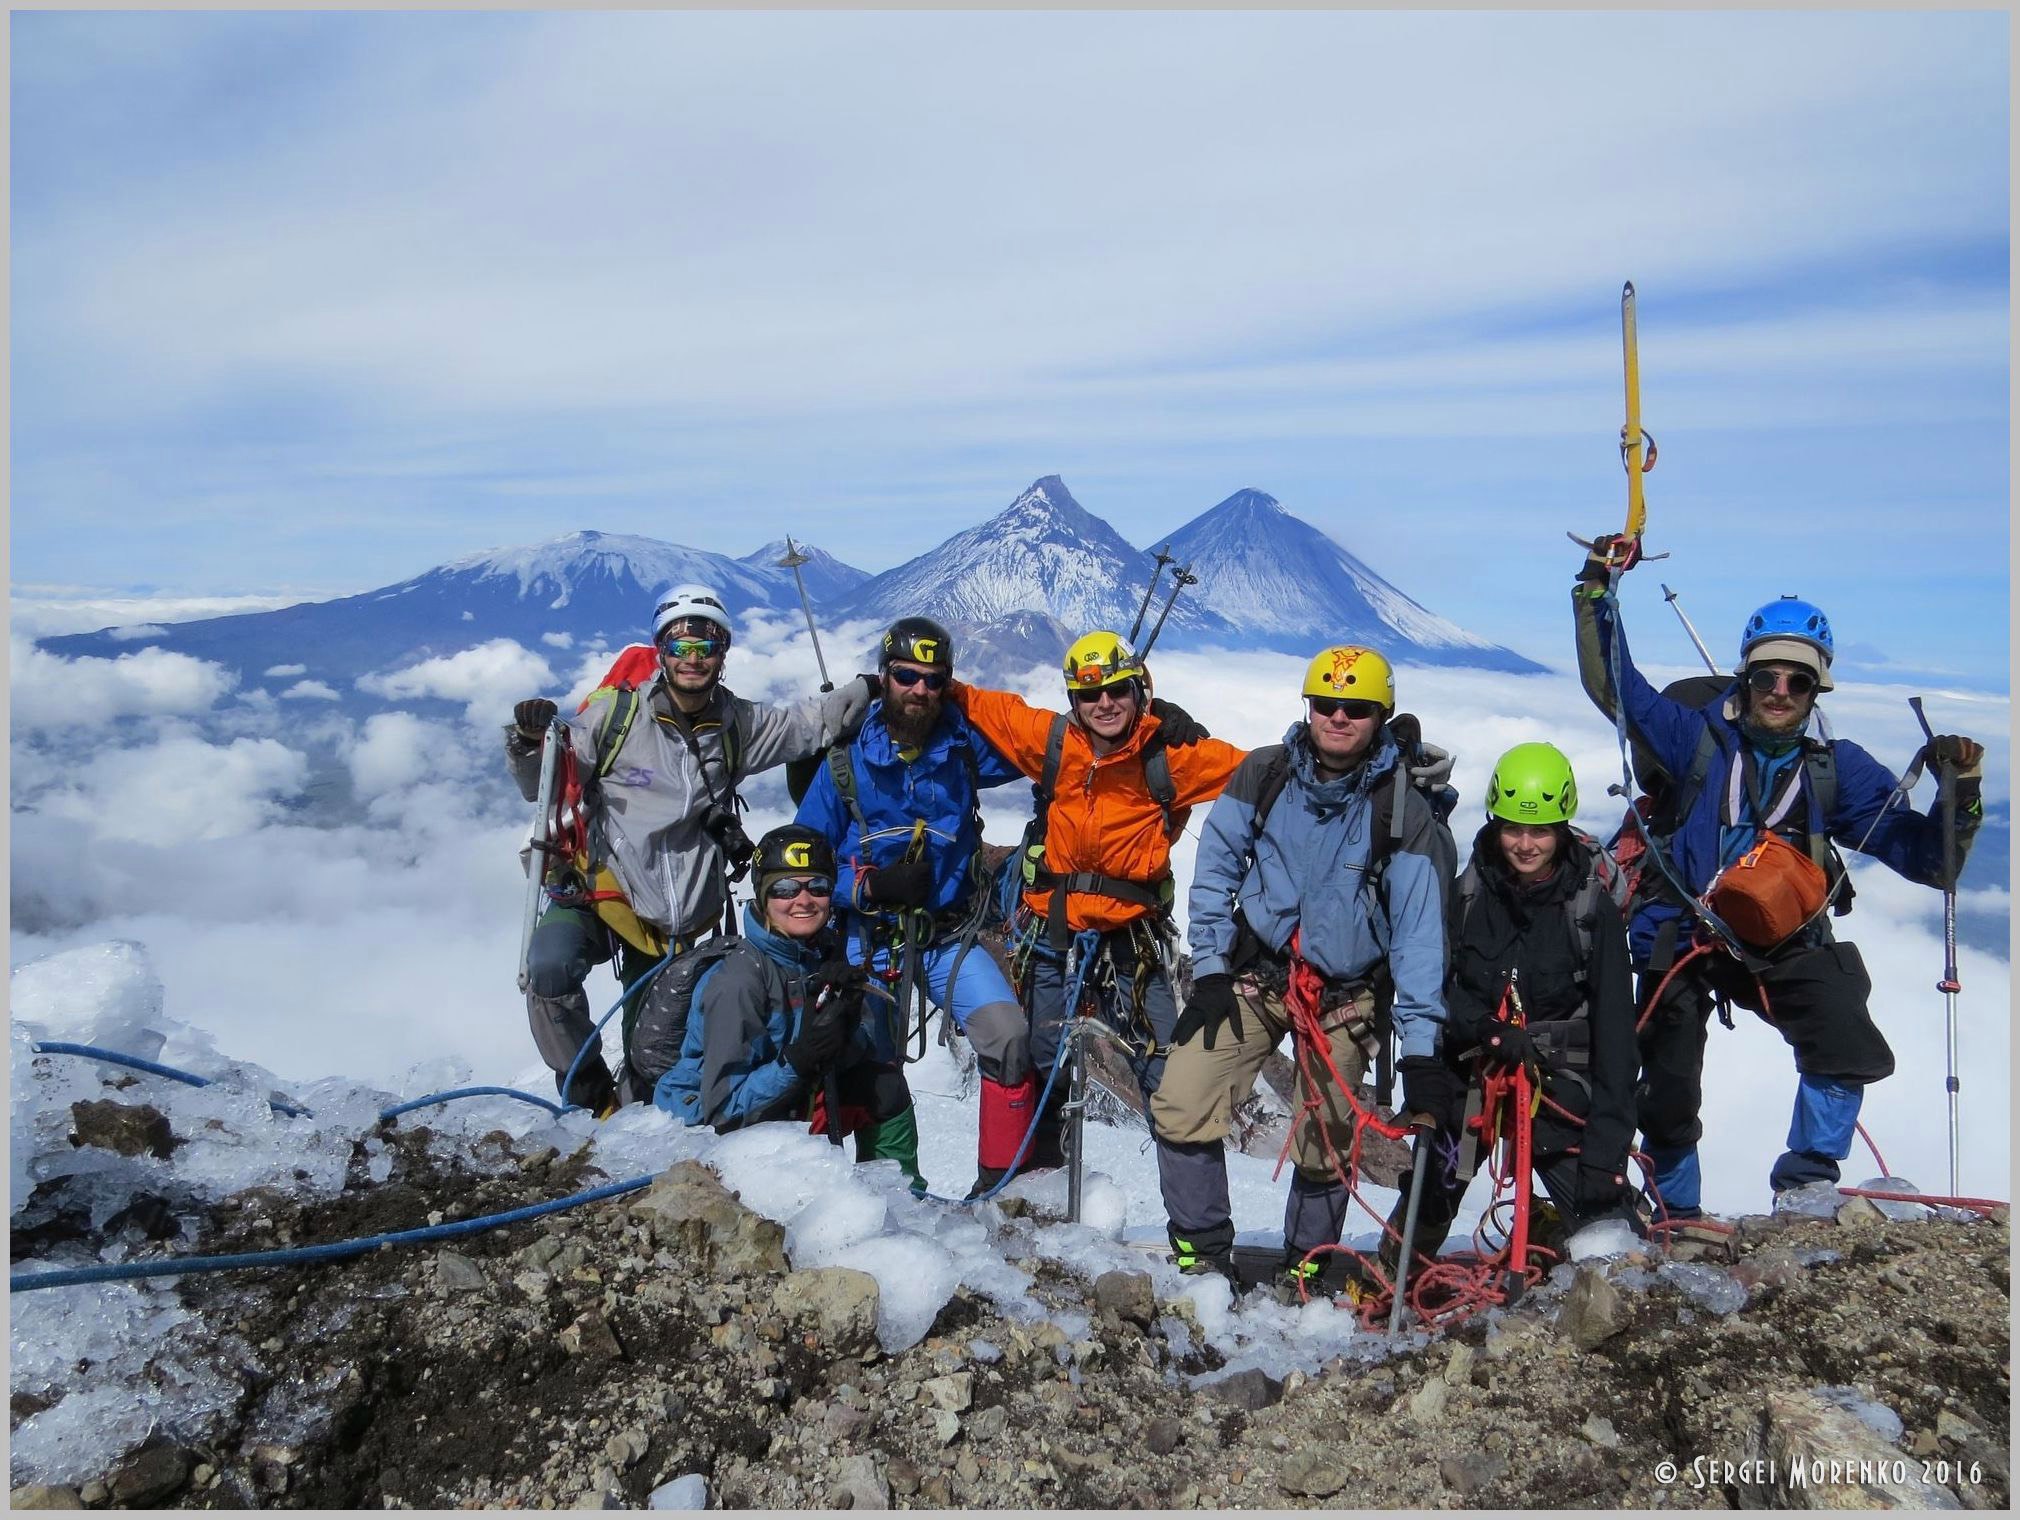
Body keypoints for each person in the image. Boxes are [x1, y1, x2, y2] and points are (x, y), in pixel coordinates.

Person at [1573, 542, 1987, 1214]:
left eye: (1798, 680)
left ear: (1819, 684)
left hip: (1778, 940)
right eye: (1768, 676)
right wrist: (1597, 587)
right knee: (1667, 1089)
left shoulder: (1838, 770)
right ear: (1746, 675)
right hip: (1680, 934)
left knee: (1843, 1036)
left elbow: (1930, 861)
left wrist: (1958, 792)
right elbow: (1614, 686)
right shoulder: (1696, 739)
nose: (1780, 692)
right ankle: (1677, 1216)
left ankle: (1805, 1183)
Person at [1150, 645, 1459, 1290]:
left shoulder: (1402, 813)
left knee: (1327, 1141)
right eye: (1326, 704)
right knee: (1181, 1098)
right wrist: (1208, 970)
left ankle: (1307, 1267)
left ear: (1381, 715)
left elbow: (1418, 940)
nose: (1338, 718)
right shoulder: (1264, 775)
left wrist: (1423, 1053)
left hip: (1346, 996)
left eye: (1356, 708)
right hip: (1254, 976)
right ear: (1307, 707)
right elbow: (1215, 871)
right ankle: (1200, 1257)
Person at [506, 584, 872, 1113]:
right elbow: (541, 779)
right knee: (549, 968)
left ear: (723, 652)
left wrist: (875, 686)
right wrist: (527, 739)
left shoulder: (737, 725)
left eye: (706, 646)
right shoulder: (615, 718)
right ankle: (590, 1097)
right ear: (661, 652)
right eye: (680, 647)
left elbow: (808, 724)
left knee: (651, 1047)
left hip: (680, 919)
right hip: (604, 893)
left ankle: (633, 1124)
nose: (693, 658)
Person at [940, 630, 1245, 1191]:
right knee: (1038, 1058)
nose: (1103, 704)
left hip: (1131, 944)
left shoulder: (1170, 761)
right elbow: (982, 705)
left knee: (1164, 1075)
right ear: (1073, 702)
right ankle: (1035, 1188)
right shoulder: (1055, 743)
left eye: (1117, 691)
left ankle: (1197, 1233)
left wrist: (1363, 750)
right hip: (1055, 934)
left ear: (1139, 693)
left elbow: (1262, 773)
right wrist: (914, 676)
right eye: (1089, 695)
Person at [793, 616, 1030, 1196]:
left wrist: (1140, 722)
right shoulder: (844, 764)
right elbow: (803, 865)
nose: (920, 690)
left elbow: (1045, 748)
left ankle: (1001, 1190)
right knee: (867, 1061)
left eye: (934, 680)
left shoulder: (963, 749)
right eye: (906, 676)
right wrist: (867, 890)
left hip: (945, 936)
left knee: (1008, 1036)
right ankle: (887, 1193)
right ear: (884, 677)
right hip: (865, 941)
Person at [1395, 743, 1641, 1270]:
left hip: (1558, 1084)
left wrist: (1607, 1153)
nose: (1525, 844)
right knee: (1435, 1185)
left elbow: (1618, 1036)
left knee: (1607, 1232)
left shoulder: (1589, 908)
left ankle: (1584, 1247)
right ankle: (1397, 1273)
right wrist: (1486, 1030)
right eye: (1512, 828)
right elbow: (1441, 986)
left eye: (1541, 831)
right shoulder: (1470, 894)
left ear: (1563, 829)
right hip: (1476, 1072)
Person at [648, 825, 925, 1187]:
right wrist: (799, 1060)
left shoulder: (818, 956)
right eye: (785, 888)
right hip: (703, 1130)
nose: (803, 899)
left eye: (819, 887)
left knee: (885, 1087)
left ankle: (903, 1202)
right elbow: (722, 1110)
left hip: (784, 1100)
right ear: (763, 898)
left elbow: (844, 1056)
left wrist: (847, 1023)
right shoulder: (738, 982)